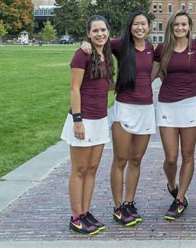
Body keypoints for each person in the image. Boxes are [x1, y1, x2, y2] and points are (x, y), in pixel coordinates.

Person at [81, 10, 155, 227]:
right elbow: (98, 42)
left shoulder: (152, 49)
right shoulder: (120, 45)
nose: (139, 28)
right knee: (120, 160)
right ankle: (118, 206)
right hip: (125, 108)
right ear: (130, 27)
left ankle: (129, 202)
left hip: (146, 110)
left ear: (149, 26)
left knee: (136, 160)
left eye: (143, 24)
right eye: (135, 24)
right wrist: (83, 44)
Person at [60, 15, 114, 235]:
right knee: (79, 169)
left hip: (100, 119)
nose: (100, 34)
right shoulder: (82, 54)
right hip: (83, 119)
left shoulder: (105, 54)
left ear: (108, 31)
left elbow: (105, 86)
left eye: (103, 30)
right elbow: (75, 88)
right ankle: (75, 217)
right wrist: (78, 119)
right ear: (88, 34)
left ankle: (85, 212)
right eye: (95, 31)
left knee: (92, 169)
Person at [152, 10, 196, 220]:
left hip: (191, 105)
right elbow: (151, 75)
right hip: (167, 106)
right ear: (171, 27)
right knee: (171, 158)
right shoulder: (162, 49)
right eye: (176, 25)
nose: (180, 28)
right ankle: (172, 184)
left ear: (190, 27)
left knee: (188, 154)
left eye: (184, 24)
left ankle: (180, 198)